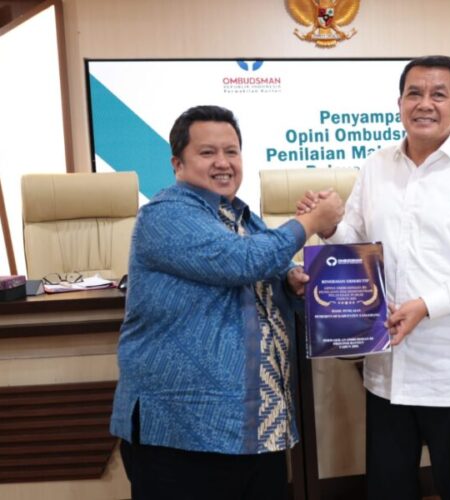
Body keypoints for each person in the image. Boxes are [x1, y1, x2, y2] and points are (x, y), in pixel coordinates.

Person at [299, 56, 450, 500]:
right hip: (388, 375)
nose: (425, 103)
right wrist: (328, 225)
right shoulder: (376, 166)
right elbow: (356, 240)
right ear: (399, 103)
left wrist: (426, 306)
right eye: (414, 93)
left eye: (438, 94)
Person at [110, 105, 344, 499]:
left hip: (256, 432)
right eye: (207, 152)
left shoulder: (240, 216)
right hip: (183, 434)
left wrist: (291, 280)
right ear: (177, 163)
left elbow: (268, 264)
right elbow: (241, 261)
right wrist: (310, 222)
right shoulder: (165, 214)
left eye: (231, 151)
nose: (223, 162)